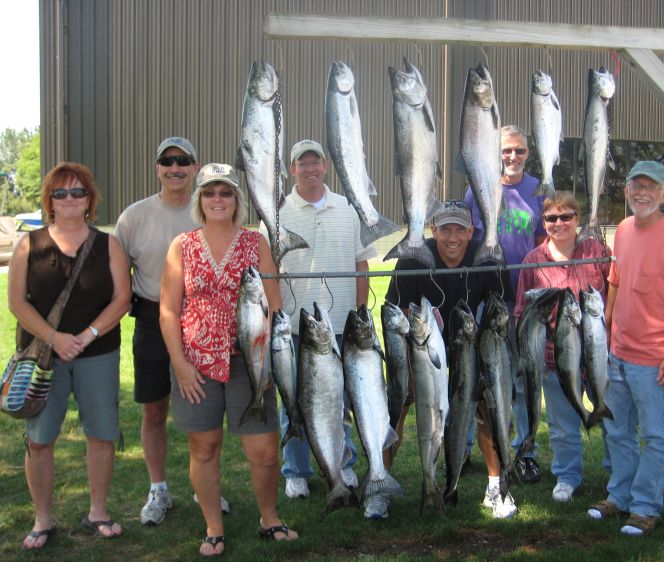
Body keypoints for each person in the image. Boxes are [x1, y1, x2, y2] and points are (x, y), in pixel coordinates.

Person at [160, 163, 298, 555]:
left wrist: (267, 362)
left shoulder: (256, 244)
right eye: (209, 192)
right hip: (196, 364)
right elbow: (168, 311)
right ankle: (213, 527)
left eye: (225, 192)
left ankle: (269, 518)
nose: (217, 199)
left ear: (237, 199)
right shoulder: (182, 246)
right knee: (204, 447)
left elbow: (274, 306)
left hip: (248, 362)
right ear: (199, 200)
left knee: (265, 451)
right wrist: (181, 364)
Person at [8, 162, 131, 549]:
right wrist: (56, 338)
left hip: (98, 355)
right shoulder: (29, 244)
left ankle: (98, 510)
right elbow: (16, 303)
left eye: (78, 192)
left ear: (89, 200)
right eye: (61, 193)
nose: (70, 199)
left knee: (102, 435)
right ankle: (42, 518)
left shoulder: (108, 244)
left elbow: (122, 299)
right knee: (40, 438)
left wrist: (87, 334)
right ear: (49, 201)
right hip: (43, 358)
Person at [115, 136, 228, 525]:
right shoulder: (134, 216)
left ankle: (207, 487)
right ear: (158, 168)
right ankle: (158, 489)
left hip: (206, 324)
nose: (175, 168)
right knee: (154, 409)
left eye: (183, 161)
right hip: (151, 319)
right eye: (167, 161)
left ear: (195, 167)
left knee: (208, 410)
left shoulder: (210, 210)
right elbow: (118, 276)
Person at [587, 161, 664, 536]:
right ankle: (619, 496)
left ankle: (646, 508)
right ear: (626, 191)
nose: (642, 192)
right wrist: (605, 326)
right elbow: (616, 281)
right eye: (636, 185)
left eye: (651, 187)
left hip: (654, 362)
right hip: (617, 354)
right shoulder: (622, 229)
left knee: (656, 437)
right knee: (617, 432)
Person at [385, 200, 517, 519]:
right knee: (396, 412)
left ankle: (496, 487)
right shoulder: (412, 258)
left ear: (472, 232)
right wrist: (414, 354)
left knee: (488, 408)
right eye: (446, 229)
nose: (453, 237)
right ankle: (381, 484)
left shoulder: (488, 257)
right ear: (434, 230)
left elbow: (503, 308)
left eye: (461, 229)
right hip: (422, 351)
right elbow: (395, 309)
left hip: (470, 347)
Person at [265, 139, 376, 514]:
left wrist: (361, 309)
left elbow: (362, 263)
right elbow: (268, 270)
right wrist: (278, 315)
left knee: (341, 401)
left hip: (343, 324)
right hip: (297, 329)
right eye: (302, 163)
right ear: (292, 169)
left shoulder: (348, 208)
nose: (310, 169)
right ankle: (296, 469)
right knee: (294, 401)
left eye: (315, 162)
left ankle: (342, 466)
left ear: (325, 166)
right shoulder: (277, 213)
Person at [514, 191, 611, 503]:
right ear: (544, 222)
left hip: (598, 358)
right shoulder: (533, 261)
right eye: (551, 218)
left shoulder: (597, 250)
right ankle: (567, 477)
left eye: (566, 216)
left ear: (578, 220)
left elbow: (618, 292)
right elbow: (521, 310)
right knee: (562, 426)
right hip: (554, 359)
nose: (559, 223)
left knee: (613, 422)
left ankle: (617, 474)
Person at [464, 125, 547, 483]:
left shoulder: (539, 191)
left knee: (525, 376)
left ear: (529, 153)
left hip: (525, 298)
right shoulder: (477, 187)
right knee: (479, 374)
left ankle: (526, 450)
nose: (512, 157)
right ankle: (464, 447)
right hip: (488, 297)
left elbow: (546, 242)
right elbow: (466, 239)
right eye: (506, 151)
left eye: (519, 151)